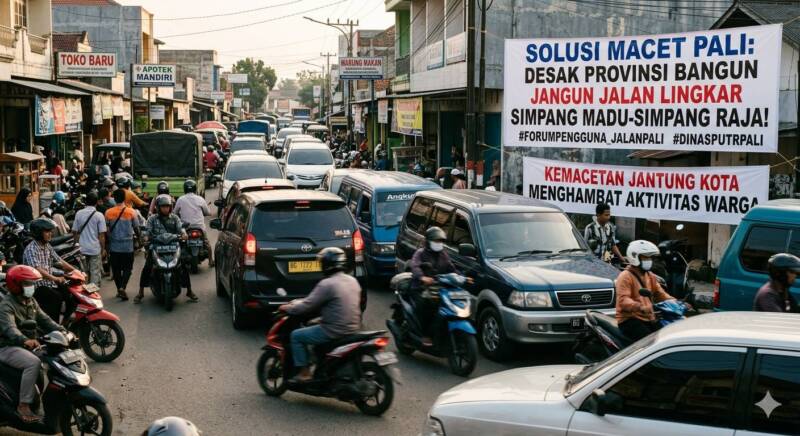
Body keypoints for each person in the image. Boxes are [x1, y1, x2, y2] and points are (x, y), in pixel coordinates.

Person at [279, 247, 362, 383]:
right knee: (312, 324)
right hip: (352, 328)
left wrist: (288, 308)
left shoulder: (327, 284)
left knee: (296, 336)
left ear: (326, 264)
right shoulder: (352, 281)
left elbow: (307, 305)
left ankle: (304, 373)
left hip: (333, 330)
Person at [0, 265, 65, 423]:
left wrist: (63, 330)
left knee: (54, 359)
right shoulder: (6, 306)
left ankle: (37, 400)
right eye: (28, 284)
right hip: (7, 347)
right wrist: (25, 340)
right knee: (33, 362)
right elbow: (10, 329)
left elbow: (45, 319)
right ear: (17, 286)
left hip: (25, 346)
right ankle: (23, 405)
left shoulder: (30, 300)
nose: (32, 287)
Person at [136, 196, 195, 303]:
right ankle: (140, 292)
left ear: (170, 207)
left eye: (167, 207)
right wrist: (145, 237)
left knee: (183, 266)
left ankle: (189, 291)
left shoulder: (175, 218)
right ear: (158, 208)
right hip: (156, 247)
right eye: (163, 207)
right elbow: (147, 231)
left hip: (173, 246)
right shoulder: (152, 219)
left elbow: (181, 228)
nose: (165, 209)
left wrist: (184, 234)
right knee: (147, 267)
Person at [615, 240, 676, 342]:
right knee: (651, 343)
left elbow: (660, 293)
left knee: (665, 337)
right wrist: (640, 307)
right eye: (645, 257)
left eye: (650, 257)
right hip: (630, 320)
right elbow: (623, 300)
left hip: (647, 318)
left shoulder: (649, 275)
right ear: (635, 257)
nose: (649, 260)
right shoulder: (625, 276)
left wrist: (676, 302)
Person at [22, 218, 78, 323]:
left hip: (49, 283)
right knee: (56, 298)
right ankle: (52, 327)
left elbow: (59, 260)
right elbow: (37, 269)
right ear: (39, 233)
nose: (50, 234)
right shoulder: (31, 249)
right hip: (36, 287)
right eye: (47, 231)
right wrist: (55, 278)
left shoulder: (47, 245)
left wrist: (76, 271)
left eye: (50, 231)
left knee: (71, 294)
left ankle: (66, 322)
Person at [410, 226, 457, 345]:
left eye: (440, 241)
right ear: (428, 241)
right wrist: (422, 277)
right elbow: (414, 266)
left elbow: (451, 268)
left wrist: (460, 277)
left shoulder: (443, 254)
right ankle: (425, 334)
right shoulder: (420, 253)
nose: (439, 243)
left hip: (438, 288)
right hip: (420, 288)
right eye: (436, 241)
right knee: (426, 306)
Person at [106, 189, 140, 301]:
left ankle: (119, 289)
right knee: (127, 268)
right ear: (124, 199)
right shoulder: (131, 212)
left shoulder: (108, 212)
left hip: (114, 246)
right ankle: (122, 287)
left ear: (114, 199)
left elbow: (106, 230)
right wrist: (139, 240)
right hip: (128, 246)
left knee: (116, 269)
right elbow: (136, 228)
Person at [173, 179, 214, 267]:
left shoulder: (180, 199)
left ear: (184, 189)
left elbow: (174, 213)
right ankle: (211, 261)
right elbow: (207, 212)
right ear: (195, 189)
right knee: (206, 242)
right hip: (199, 227)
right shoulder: (200, 199)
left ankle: (177, 261)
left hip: (186, 227)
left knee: (180, 242)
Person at [71, 192, 107, 287]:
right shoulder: (99, 215)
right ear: (96, 202)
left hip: (82, 248)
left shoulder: (79, 213)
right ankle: (93, 293)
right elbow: (102, 235)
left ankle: (85, 292)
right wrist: (103, 249)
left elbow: (74, 231)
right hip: (95, 249)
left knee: (84, 272)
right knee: (95, 272)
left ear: (85, 202)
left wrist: (75, 244)